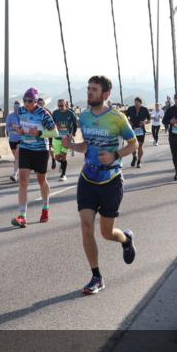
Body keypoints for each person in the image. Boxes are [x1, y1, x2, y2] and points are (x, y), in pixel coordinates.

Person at [61, 76, 137, 295]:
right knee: (86, 226)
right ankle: (96, 276)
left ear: (106, 94)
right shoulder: (83, 117)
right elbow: (86, 146)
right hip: (87, 180)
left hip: (110, 181)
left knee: (106, 233)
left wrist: (115, 154)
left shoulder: (117, 118)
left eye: (94, 89)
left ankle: (126, 238)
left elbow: (134, 144)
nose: (89, 92)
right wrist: (71, 145)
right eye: (88, 89)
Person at [9, 88, 57, 226]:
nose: (26, 103)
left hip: (41, 150)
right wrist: (19, 130)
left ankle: (45, 209)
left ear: (36, 101)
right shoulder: (21, 111)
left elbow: (54, 133)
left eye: (29, 101)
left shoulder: (44, 114)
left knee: (42, 180)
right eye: (24, 100)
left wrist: (39, 133)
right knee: (23, 181)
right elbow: (24, 128)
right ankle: (22, 216)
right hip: (25, 148)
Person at [51, 98, 78, 181]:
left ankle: (63, 175)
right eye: (59, 106)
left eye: (62, 105)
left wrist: (72, 134)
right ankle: (62, 165)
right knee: (57, 157)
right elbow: (51, 123)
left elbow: (75, 124)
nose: (60, 107)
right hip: (57, 138)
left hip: (66, 138)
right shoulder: (55, 113)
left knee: (63, 156)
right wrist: (55, 126)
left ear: (65, 105)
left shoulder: (70, 113)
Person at [125, 97, 150, 168]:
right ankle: (134, 157)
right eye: (135, 102)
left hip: (141, 130)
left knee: (140, 146)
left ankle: (139, 161)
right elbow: (125, 117)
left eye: (137, 103)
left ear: (140, 103)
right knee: (133, 145)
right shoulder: (130, 108)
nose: (136, 104)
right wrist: (129, 121)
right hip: (132, 129)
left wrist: (144, 122)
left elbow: (149, 120)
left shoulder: (144, 110)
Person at [5, 100, 23, 183]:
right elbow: (7, 128)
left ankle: (15, 174)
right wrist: (15, 128)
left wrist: (16, 127)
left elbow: (24, 128)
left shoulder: (23, 116)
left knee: (17, 156)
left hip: (21, 139)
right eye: (15, 107)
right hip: (12, 139)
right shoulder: (10, 116)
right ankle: (20, 170)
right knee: (16, 158)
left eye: (18, 107)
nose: (16, 108)